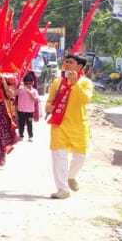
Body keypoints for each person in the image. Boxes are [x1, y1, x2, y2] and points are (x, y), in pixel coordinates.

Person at [47, 54, 94, 200]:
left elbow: (85, 99)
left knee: (80, 157)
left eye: (70, 62)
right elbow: (50, 101)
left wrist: (75, 84)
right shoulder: (57, 82)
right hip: (59, 125)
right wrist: (48, 107)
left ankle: (71, 176)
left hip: (79, 126)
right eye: (66, 62)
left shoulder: (85, 83)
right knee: (59, 157)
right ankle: (62, 189)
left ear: (79, 66)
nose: (66, 64)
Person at [16, 71, 40, 141]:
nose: (28, 85)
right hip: (21, 110)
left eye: (30, 83)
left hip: (30, 111)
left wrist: (30, 93)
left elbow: (36, 100)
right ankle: (21, 135)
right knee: (21, 124)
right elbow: (13, 94)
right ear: (24, 83)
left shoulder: (34, 91)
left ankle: (30, 136)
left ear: (33, 83)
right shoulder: (21, 89)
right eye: (26, 83)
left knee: (30, 124)